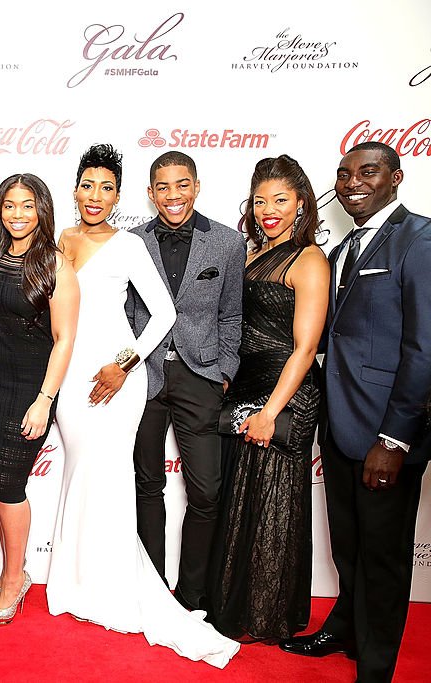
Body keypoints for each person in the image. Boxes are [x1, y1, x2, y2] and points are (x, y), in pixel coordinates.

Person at [47, 144, 239, 668]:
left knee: (110, 478)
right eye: (88, 185)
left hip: (117, 375)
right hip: (70, 377)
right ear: (75, 189)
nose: (95, 196)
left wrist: (125, 364)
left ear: (119, 195)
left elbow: (165, 314)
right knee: (79, 476)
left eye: (107, 187)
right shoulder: (60, 241)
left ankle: (113, 585)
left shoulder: (130, 245)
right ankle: (74, 578)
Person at [280, 142, 431, 682]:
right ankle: (344, 626)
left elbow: (424, 350)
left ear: (396, 176)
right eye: (343, 174)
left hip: (385, 435)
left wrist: (394, 440)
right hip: (340, 425)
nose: (352, 182)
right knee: (347, 544)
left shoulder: (421, 239)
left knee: (384, 557)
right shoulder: (345, 246)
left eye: (368, 172)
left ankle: (375, 666)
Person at [208, 155, 329, 641]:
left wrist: (272, 411)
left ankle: (267, 614)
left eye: (280, 200)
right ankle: (234, 605)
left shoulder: (310, 259)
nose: (268, 210)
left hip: (286, 393)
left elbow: (306, 347)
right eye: (260, 201)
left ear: (301, 203)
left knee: (275, 502)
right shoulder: (252, 253)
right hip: (246, 389)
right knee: (242, 498)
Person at [127, 151, 247, 612]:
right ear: (151, 191)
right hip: (145, 377)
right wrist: (126, 364)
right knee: (145, 485)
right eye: (162, 187)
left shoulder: (227, 243)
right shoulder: (132, 241)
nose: (172, 195)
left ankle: (194, 592)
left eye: (182, 185)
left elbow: (232, 315)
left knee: (207, 490)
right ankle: (151, 587)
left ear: (196, 186)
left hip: (202, 376)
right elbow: (126, 315)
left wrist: (224, 372)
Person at [0, 174, 78, 625]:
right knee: (0, 481)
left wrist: (44, 399)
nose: (17, 214)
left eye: (27, 205)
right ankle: (15, 569)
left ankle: (14, 578)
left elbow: (64, 339)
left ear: (42, 211)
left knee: (11, 485)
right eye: (10, 205)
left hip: (29, 390)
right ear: (0, 210)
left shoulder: (55, 265)